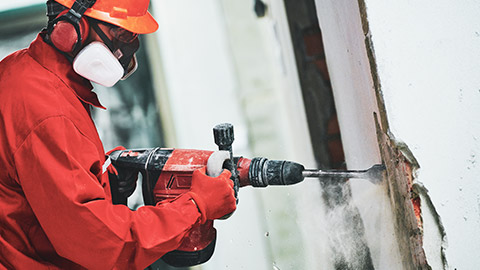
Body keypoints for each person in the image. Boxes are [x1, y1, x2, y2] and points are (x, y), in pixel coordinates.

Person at [0, 0, 237, 269]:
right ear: (69, 28)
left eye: (132, 36)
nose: (126, 50)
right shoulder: (47, 112)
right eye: (122, 34)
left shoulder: (22, 72)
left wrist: (102, 180)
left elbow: (33, 195)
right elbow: (99, 244)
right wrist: (196, 206)